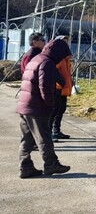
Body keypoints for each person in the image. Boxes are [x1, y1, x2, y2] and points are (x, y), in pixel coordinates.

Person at [17, 38, 72, 178]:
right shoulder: (47, 63)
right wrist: (49, 105)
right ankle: (51, 164)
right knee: (44, 138)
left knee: (27, 139)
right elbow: (45, 88)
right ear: (58, 53)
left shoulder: (37, 59)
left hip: (25, 105)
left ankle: (25, 167)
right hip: (37, 107)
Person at [50, 35, 73, 142]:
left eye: (66, 42)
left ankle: (56, 130)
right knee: (54, 111)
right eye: (63, 42)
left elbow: (67, 73)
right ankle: (50, 133)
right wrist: (61, 82)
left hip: (65, 88)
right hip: (57, 88)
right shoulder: (57, 58)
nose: (66, 44)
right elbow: (54, 72)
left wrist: (70, 82)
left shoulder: (66, 59)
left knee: (61, 110)